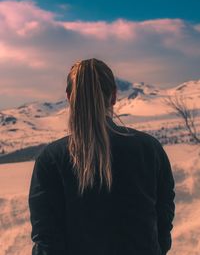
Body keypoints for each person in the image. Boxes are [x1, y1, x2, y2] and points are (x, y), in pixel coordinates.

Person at [28, 58, 175, 255]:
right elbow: (163, 218)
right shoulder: (149, 149)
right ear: (113, 96)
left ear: (69, 97)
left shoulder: (51, 158)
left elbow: (46, 239)